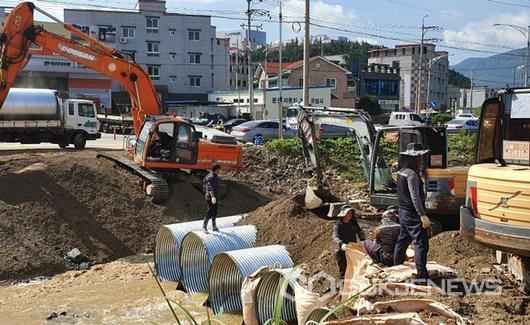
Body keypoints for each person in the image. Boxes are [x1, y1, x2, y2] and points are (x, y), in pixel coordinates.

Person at [393, 143, 432, 280]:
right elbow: (415, 196)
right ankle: (422, 277)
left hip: (403, 211)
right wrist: (422, 215)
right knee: (421, 244)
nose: (421, 160)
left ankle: (395, 268)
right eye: (419, 157)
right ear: (413, 159)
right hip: (412, 213)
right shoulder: (412, 175)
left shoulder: (401, 172)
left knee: (403, 240)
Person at [333, 205, 366, 279]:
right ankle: (343, 286)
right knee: (343, 269)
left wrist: (362, 240)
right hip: (343, 250)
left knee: (354, 267)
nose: (350, 215)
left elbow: (360, 231)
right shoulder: (338, 225)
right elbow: (335, 236)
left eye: (351, 213)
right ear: (343, 214)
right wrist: (341, 244)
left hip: (353, 250)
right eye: (348, 213)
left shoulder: (353, 223)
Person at [203, 163, 221, 233]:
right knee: (210, 211)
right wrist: (213, 197)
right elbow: (209, 188)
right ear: (216, 170)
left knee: (215, 211)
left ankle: (214, 226)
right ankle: (204, 227)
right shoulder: (210, 177)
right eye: (218, 170)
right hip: (210, 198)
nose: (219, 171)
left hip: (215, 197)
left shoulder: (215, 176)